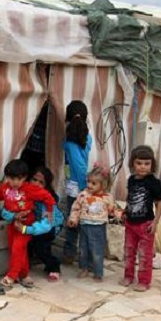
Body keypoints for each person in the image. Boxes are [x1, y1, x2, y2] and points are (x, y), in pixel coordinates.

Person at [0, 159, 55, 288]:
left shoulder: (29, 189)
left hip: (26, 225)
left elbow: (47, 196)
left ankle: (12, 275)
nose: (15, 182)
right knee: (16, 249)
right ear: (6, 177)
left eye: (19, 179)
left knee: (18, 247)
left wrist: (49, 211)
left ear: (25, 178)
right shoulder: (6, 188)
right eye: (11, 179)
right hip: (12, 224)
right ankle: (24, 275)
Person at [1, 166, 64, 282]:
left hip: (51, 226)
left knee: (41, 247)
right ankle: (24, 269)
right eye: (34, 180)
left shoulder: (46, 201)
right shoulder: (21, 194)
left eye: (41, 182)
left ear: (46, 186)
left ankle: (53, 266)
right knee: (27, 244)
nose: (36, 184)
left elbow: (46, 225)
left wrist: (25, 229)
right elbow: (5, 211)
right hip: (32, 224)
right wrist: (14, 216)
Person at [118, 145, 161, 291]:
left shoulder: (154, 183)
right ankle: (128, 276)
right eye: (139, 163)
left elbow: (160, 203)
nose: (143, 167)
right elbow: (130, 197)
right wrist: (125, 211)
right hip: (130, 223)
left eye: (146, 164)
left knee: (145, 255)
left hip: (146, 225)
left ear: (152, 165)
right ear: (132, 164)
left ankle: (144, 281)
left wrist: (155, 222)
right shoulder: (131, 180)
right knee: (128, 251)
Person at [67, 165, 116, 282]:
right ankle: (84, 268)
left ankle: (98, 272)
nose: (89, 185)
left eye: (94, 183)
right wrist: (73, 219)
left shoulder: (107, 197)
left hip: (99, 228)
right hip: (84, 226)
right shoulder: (83, 195)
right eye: (88, 181)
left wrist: (116, 214)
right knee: (83, 249)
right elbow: (76, 208)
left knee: (97, 250)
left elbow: (111, 210)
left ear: (102, 185)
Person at [62, 100, 93, 265]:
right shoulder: (87, 138)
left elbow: (78, 165)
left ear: (67, 118)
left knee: (73, 221)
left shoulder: (70, 143)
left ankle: (71, 254)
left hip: (76, 187)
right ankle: (82, 256)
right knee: (83, 222)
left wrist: (83, 188)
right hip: (81, 186)